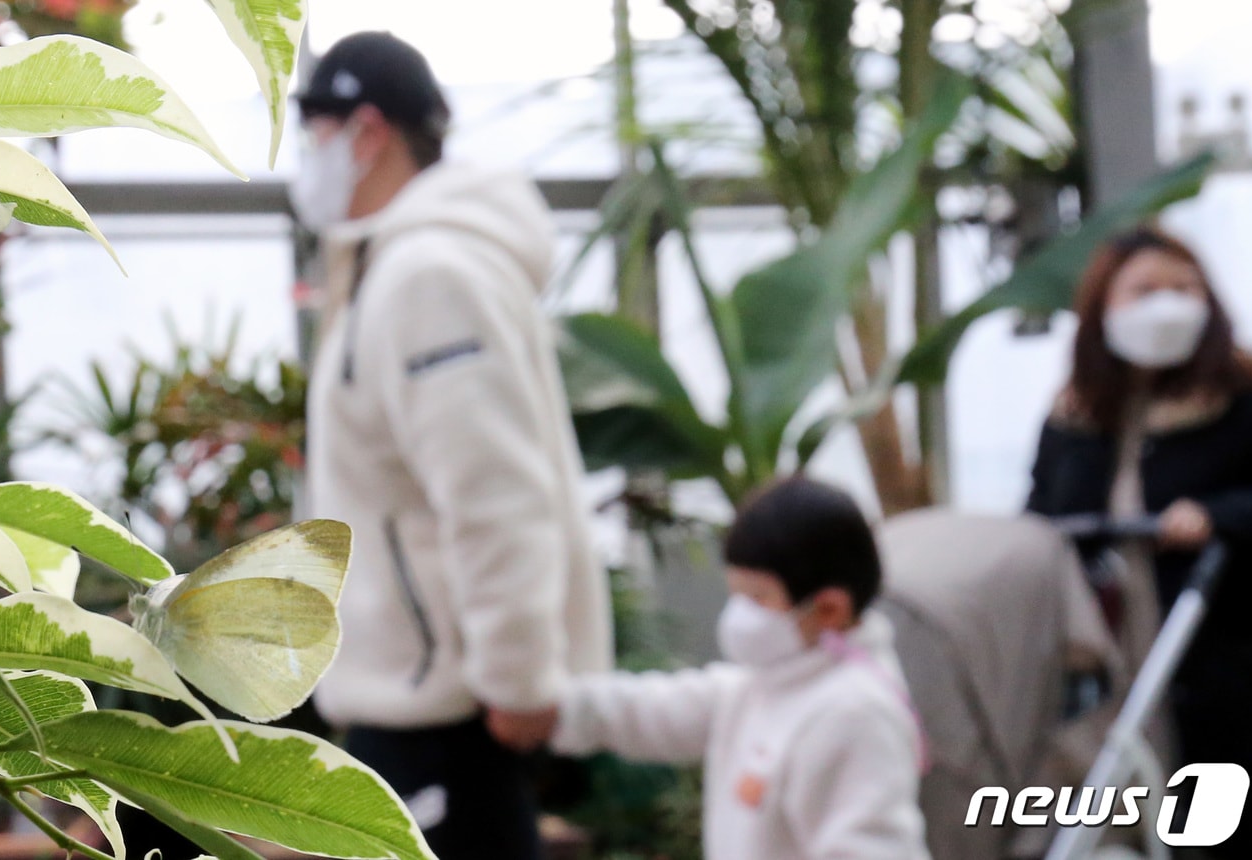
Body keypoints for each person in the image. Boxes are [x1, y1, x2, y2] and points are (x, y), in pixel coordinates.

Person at [289, 31, 614, 860]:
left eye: (315, 132)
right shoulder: (396, 265)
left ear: (368, 133)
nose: (308, 157)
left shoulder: (427, 276)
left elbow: (493, 492)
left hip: (447, 718)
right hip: (424, 710)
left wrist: (516, 680)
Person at [498, 476, 932, 860]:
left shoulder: (855, 716)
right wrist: (556, 709)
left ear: (830, 608)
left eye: (758, 599)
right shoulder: (767, 684)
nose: (740, 614)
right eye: (736, 594)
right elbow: (659, 711)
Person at [1026, 225, 1252, 857]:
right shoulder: (1077, 411)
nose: (1167, 304)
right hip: (1108, 651)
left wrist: (1216, 517)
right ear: (1104, 308)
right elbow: (1044, 517)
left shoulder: (1242, 397)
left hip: (1216, 642)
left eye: (1184, 288)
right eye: (1145, 290)